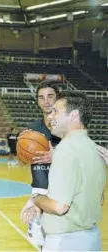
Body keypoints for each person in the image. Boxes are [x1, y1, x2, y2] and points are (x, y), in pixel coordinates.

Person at [22, 91, 107, 251]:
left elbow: (59, 206)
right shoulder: (96, 149)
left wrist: (36, 199)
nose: (50, 116)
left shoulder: (65, 150)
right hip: (91, 238)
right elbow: (98, 200)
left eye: (56, 111)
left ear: (74, 115)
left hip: (66, 242)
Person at [20, 80, 61, 245]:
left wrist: (56, 156)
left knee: (59, 241)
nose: (46, 101)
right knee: (40, 243)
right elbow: (25, 160)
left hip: (62, 192)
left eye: (50, 96)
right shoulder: (32, 129)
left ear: (58, 98)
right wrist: (23, 154)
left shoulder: (67, 127)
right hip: (39, 191)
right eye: (41, 97)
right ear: (37, 101)